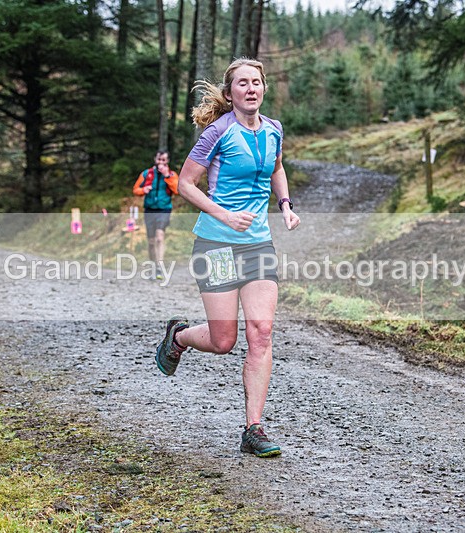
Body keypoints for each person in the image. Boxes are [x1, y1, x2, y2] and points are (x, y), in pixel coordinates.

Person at [154, 58, 300, 458]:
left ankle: (253, 428)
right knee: (223, 340)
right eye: (242, 83)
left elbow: (277, 168)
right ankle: (179, 336)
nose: (250, 89)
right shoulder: (217, 132)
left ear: (264, 88)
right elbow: (185, 184)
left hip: (257, 245)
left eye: (256, 82)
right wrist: (224, 214)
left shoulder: (274, 130)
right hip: (216, 243)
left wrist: (285, 204)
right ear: (230, 91)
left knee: (261, 332)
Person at [132, 151, 179, 279]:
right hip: (149, 209)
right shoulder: (146, 174)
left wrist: (167, 176)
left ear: (167, 161)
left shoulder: (172, 175)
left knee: (160, 237)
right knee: (151, 241)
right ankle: (153, 266)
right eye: (159, 159)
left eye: (164, 160)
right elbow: (135, 189)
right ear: (155, 159)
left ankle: (160, 267)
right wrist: (143, 190)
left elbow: (177, 190)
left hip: (164, 210)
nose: (161, 163)